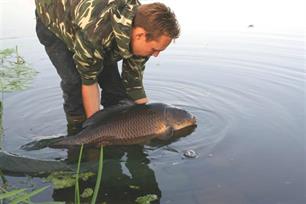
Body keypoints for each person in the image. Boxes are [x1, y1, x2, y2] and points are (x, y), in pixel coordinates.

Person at [35, 0, 180, 135]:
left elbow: (133, 83)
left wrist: (147, 119)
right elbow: (89, 83)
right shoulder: (95, 35)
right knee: (74, 82)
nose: (156, 55)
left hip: (97, 33)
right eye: (154, 49)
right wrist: (94, 132)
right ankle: (76, 131)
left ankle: (117, 129)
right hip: (54, 23)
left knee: (116, 89)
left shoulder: (145, 24)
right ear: (140, 35)